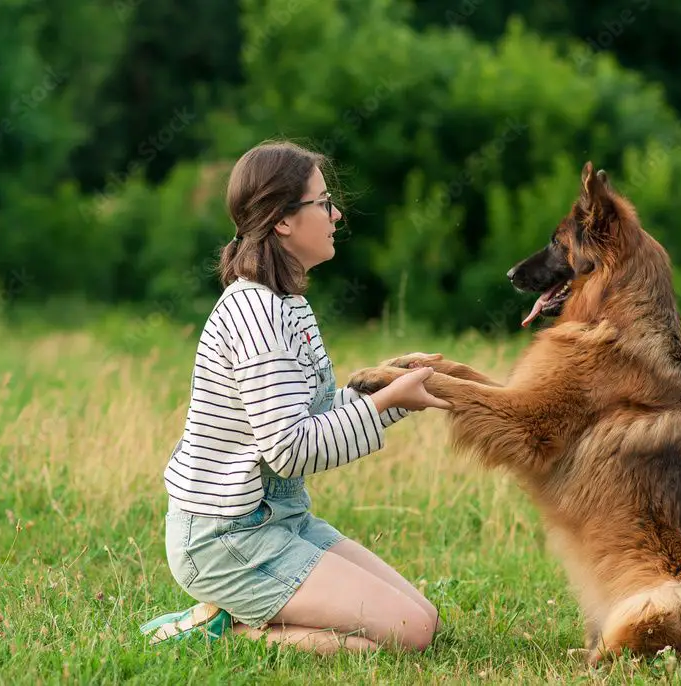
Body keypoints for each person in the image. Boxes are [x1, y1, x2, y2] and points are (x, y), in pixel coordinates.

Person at [139, 140, 451, 655]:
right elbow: (291, 449)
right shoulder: (258, 314)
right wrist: (385, 403)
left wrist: (389, 389)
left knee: (424, 621)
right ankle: (225, 631)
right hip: (225, 540)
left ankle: (238, 613)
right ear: (283, 220)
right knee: (399, 638)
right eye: (323, 202)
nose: (336, 214)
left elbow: (315, 416)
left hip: (279, 522)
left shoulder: (287, 304)